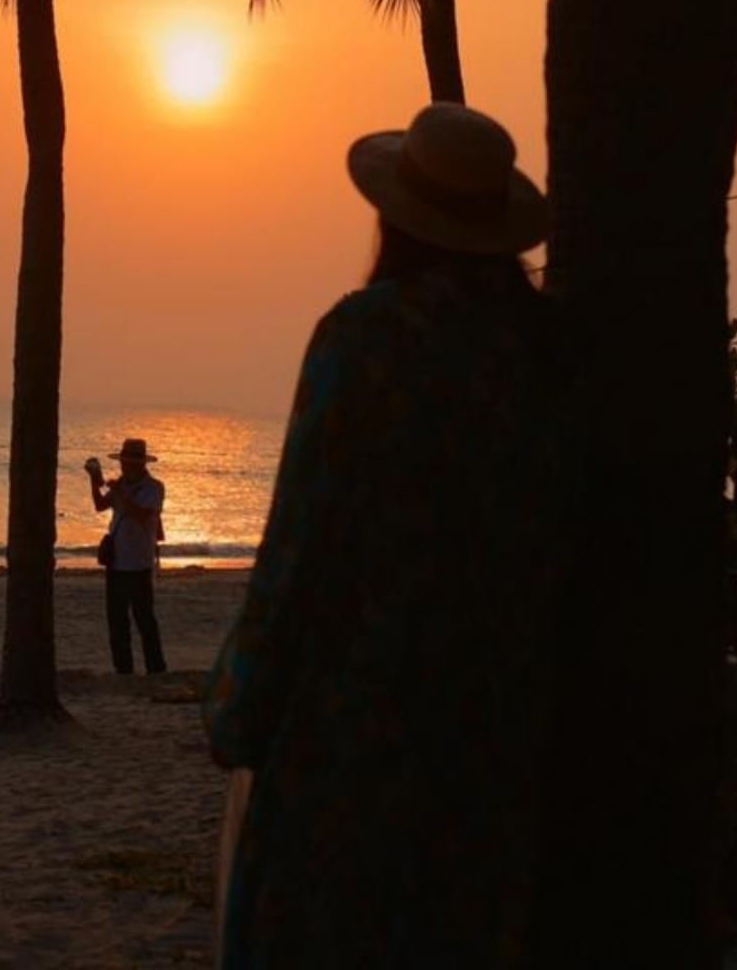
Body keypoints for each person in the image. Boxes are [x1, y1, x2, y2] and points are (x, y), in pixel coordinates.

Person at [203, 102, 572, 969]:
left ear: (395, 218)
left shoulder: (363, 341)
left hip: (357, 732)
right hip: (504, 733)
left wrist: (237, 703)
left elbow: (299, 545)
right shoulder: (552, 352)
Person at [85, 436, 168, 676]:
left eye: (130, 462)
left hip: (139, 563)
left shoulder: (153, 488)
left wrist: (119, 491)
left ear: (142, 464)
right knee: (117, 622)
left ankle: (156, 669)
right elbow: (100, 505)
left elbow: (141, 514)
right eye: (124, 461)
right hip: (117, 562)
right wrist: (94, 480)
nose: (126, 466)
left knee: (145, 621)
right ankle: (123, 670)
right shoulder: (122, 485)